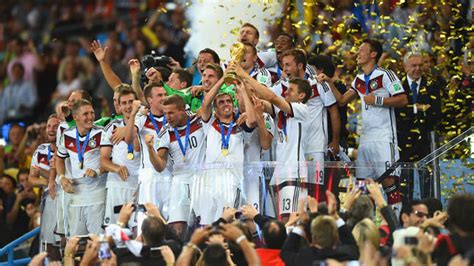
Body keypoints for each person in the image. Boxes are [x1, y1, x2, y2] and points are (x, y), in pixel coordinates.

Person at [328, 39, 408, 210]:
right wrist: (328, 82)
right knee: (363, 186)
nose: (358, 53)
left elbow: (403, 99)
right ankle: (367, 224)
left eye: (362, 50)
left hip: (384, 138)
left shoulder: (386, 75)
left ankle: (394, 223)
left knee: (389, 181)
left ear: (373, 54)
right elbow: (342, 101)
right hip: (365, 140)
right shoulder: (358, 79)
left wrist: (377, 99)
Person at [235, 57, 312, 221]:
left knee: (291, 221)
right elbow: (260, 103)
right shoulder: (281, 111)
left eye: (291, 90)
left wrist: (244, 74)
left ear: (301, 95)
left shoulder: (302, 109)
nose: (286, 92)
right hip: (281, 172)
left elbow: (272, 97)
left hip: (294, 172)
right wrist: (242, 88)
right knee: (282, 220)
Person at [276, 49, 340, 199]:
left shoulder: (318, 83)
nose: (284, 69)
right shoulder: (284, 86)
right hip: (295, 151)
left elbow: (334, 111)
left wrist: (335, 141)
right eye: (283, 65)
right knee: (300, 194)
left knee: (316, 192)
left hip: (314, 147)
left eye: (288, 65)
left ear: (299, 66)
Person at [193, 73, 256, 225]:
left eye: (229, 101)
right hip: (208, 181)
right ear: (215, 108)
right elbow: (206, 102)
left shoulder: (240, 124)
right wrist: (223, 79)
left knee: (226, 220)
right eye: (221, 102)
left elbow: (253, 120)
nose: (226, 104)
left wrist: (241, 90)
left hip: (231, 181)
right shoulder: (210, 123)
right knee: (206, 222)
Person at [145, 94, 207, 238]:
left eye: (171, 113)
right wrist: (150, 150)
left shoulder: (199, 121)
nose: (167, 117)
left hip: (202, 179)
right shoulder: (165, 132)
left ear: (182, 110)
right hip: (180, 179)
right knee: (177, 228)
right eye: (165, 113)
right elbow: (160, 166)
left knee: (204, 225)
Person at [56, 99, 106, 235]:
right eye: (85, 114)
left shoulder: (101, 133)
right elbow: (59, 159)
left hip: (97, 196)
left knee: (98, 243)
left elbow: (110, 161)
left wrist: (97, 171)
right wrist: (61, 177)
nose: (90, 117)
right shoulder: (67, 135)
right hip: (76, 196)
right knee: (75, 244)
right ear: (76, 116)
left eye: (92, 113)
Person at [124, 82, 171, 219]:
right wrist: (133, 114)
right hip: (150, 177)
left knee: (170, 222)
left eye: (165, 94)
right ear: (150, 100)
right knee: (148, 222)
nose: (164, 97)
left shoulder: (171, 117)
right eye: (159, 95)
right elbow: (128, 139)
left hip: (170, 175)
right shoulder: (142, 118)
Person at [100, 88, 141, 225]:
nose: (128, 106)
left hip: (138, 184)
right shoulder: (111, 127)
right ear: (119, 106)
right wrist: (117, 168)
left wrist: (126, 130)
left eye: (131, 102)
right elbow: (103, 161)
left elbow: (137, 147)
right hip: (116, 184)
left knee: (136, 231)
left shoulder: (145, 123)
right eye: (124, 103)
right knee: (113, 229)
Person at [28, 114, 60, 255]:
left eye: (55, 126)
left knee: (64, 241)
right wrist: (46, 180)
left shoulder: (67, 148)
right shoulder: (41, 150)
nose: (51, 129)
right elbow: (31, 178)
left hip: (66, 198)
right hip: (48, 201)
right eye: (48, 126)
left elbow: (62, 175)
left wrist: (42, 171)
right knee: (48, 244)